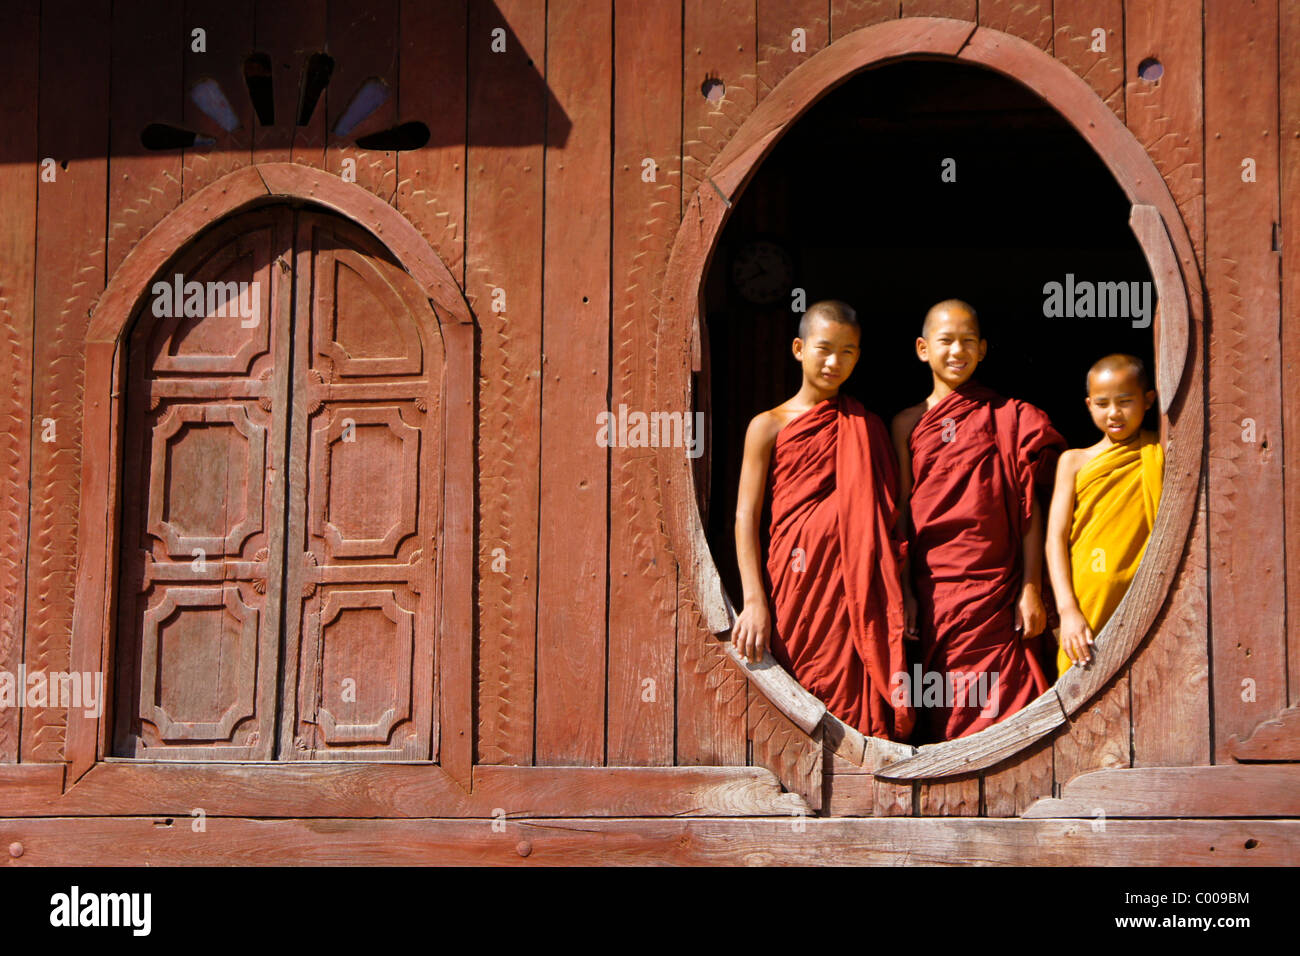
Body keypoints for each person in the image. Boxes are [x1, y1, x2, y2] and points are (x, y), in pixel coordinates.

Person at [731, 300, 914, 742]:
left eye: (848, 352)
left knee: (857, 696)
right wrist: (754, 599)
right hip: (796, 584)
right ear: (799, 348)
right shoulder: (767, 425)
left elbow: (891, 519)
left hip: (857, 591)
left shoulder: (866, 427)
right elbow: (745, 517)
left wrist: (901, 590)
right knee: (797, 690)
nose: (835, 362)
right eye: (825, 349)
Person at [892, 299, 1065, 742]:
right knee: (948, 702)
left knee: (1008, 711)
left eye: (969, 341)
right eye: (946, 341)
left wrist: (1030, 588)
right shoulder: (907, 424)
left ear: (984, 349)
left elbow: (1028, 507)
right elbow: (905, 515)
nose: (957, 351)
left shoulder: (1008, 417)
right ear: (922, 348)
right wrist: (907, 591)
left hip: (998, 590)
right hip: (938, 591)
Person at [1045, 354, 1163, 677]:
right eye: (1102, 403)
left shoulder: (1159, 451)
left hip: (1145, 595)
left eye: (1125, 401)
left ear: (1148, 400)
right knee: (1079, 687)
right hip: (1088, 600)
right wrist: (1067, 609)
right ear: (1088, 405)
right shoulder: (1074, 461)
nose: (1114, 413)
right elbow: (1055, 537)